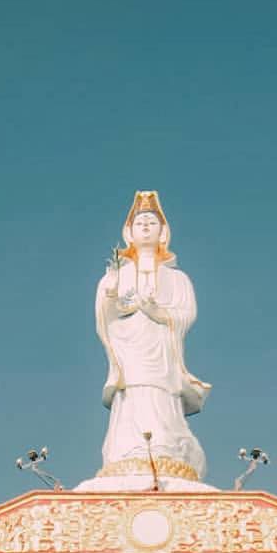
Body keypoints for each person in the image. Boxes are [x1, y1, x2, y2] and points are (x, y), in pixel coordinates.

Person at [91, 190, 211, 487]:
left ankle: (164, 446)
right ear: (129, 232)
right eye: (140, 222)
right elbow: (104, 314)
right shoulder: (117, 272)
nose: (145, 226)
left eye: (151, 222)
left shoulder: (178, 278)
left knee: (161, 394)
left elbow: (187, 313)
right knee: (131, 394)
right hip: (130, 345)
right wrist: (112, 292)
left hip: (161, 345)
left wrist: (158, 312)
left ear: (163, 232)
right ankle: (128, 448)